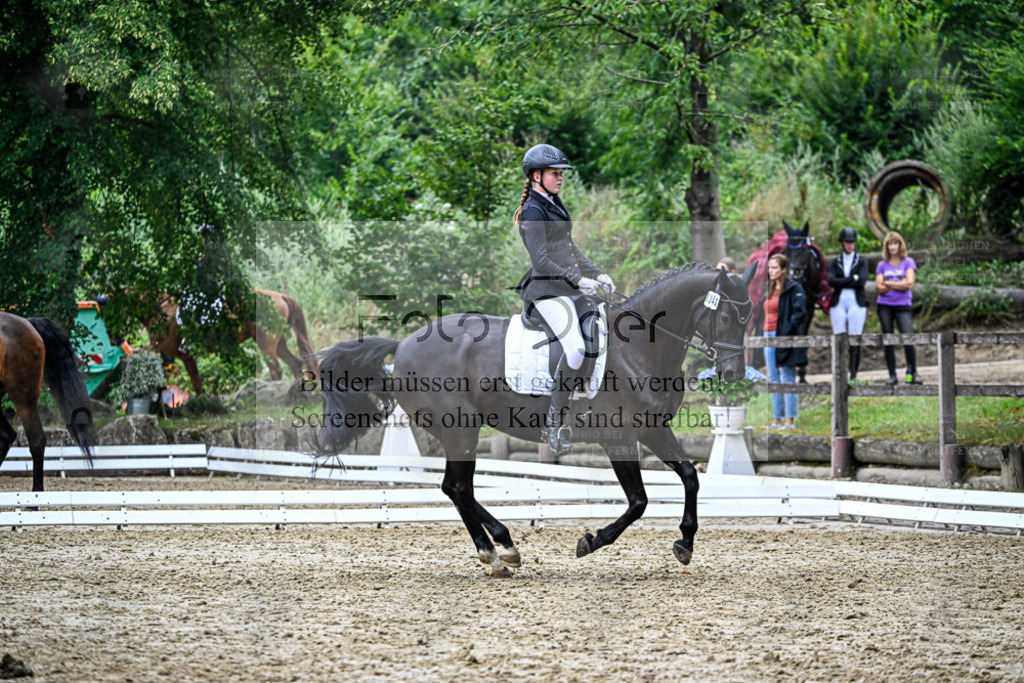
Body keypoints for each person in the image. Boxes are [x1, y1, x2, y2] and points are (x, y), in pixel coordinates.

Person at [514, 143, 614, 455]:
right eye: (555, 173)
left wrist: (597, 274)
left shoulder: (554, 203)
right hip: (546, 292)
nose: (560, 178)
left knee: (603, 329)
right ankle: (553, 424)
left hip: (568, 288)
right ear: (535, 176)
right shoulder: (532, 211)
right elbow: (542, 261)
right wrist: (578, 279)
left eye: (561, 174)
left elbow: (570, 249)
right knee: (576, 348)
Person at [759, 254, 806, 430]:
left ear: (784, 269)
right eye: (769, 268)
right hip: (767, 334)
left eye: (775, 268)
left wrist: (785, 332)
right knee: (773, 376)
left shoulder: (794, 288)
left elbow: (799, 312)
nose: (771, 271)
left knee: (787, 376)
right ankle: (776, 418)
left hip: (784, 335)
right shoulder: (769, 288)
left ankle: (790, 420)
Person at [875, 231, 921, 385]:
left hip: (903, 306)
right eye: (890, 244)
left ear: (900, 245)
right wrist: (897, 284)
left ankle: (913, 372)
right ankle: (892, 375)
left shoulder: (908, 262)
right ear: (886, 247)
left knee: (908, 337)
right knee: (888, 339)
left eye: (895, 243)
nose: (893, 247)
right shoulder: (882, 265)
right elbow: (879, 287)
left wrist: (888, 283)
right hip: (885, 306)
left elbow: (909, 283)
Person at [827, 227, 869, 381]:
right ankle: (839, 372)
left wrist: (842, 281)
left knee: (855, 337)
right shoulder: (835, 261)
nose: (850, 245)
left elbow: (862, 281)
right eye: (847, 242)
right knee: (838, 338)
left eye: (852, 242)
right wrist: (852, 279)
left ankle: (853, 373)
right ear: (842, 243)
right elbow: (831, 281)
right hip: (838, 301)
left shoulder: (861, 261)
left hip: (856, 302)